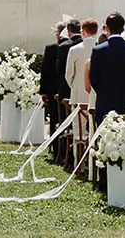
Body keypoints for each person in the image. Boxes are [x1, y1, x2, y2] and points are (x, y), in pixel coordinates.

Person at [39, 19, 77, 164]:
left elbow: (46, 72)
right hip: (68, 90)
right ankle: (67, 151)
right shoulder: (73, 45)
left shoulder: (51, 48)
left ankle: (57, 151)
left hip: (54, 91)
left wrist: (43, 92)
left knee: (55, 121)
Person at [65, 18, 98, 110]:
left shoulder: (74, 50)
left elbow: (68, 74)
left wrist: (74, 86)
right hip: (96, 93)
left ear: (83, 32)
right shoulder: (100, 49)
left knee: (78, 124)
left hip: (78, 93)